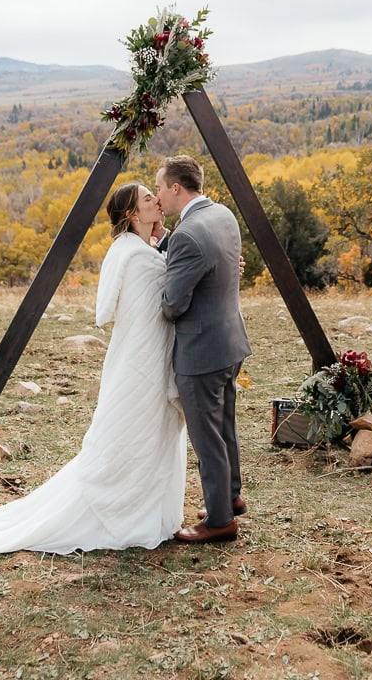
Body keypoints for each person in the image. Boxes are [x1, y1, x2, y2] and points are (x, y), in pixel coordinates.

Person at [0, 183, 186, 564]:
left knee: (150, 433)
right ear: (132, 214)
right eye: (148, 199)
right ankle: (120, 510)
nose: (157, 202)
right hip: (141, 360)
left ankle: (144, 505)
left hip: (145, 354)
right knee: (133, 432)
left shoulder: (138, 250)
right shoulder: (134, 256)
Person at [155, 155, 252, 544]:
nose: (158, 194)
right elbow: (210, 265)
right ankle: (230, 495)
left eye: (160, 187)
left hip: (202, 351)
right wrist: (164, 243)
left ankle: (220, 520)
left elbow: (172, 304)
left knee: (207, 436)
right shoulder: (222, 215)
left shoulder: (188, 235)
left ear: (176, 188)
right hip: (230, 341)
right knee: (224, 425)